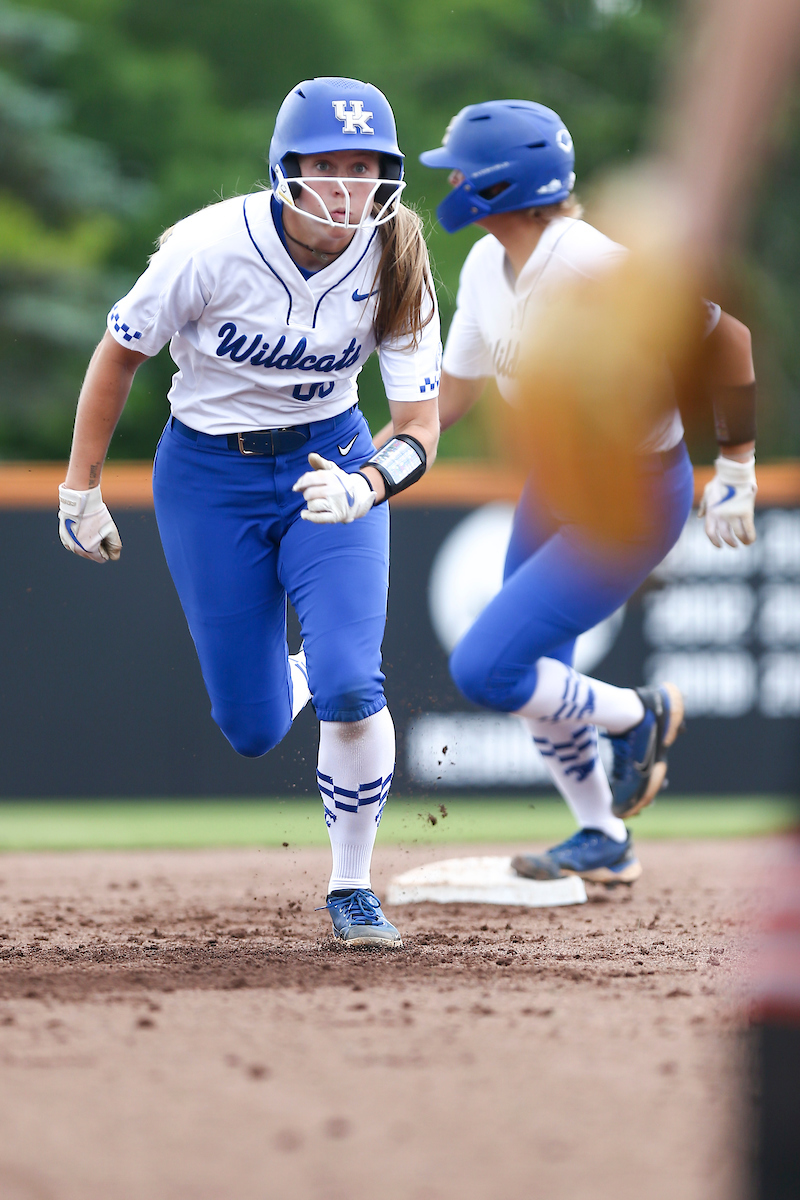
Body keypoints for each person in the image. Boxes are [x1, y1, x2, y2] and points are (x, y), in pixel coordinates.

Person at [56, 77, 441, 948]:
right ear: (286, 168)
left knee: (353, 682)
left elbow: (419, 426)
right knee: (254, 728)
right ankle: (289, 676)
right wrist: (81, 484)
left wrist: (366, 483)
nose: (349, 185)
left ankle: (352, 887)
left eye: (367, 166)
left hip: (331, 461)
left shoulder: (395, 256)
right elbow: (120, 354)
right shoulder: (208, 246)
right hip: (207, 474)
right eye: (329, 165)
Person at [411, 99, 757, 885]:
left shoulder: (592, 265)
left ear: (498, 187)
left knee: (487, 669)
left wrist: (735, 468)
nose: (453, 181)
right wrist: (368, 457)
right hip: (559, 483)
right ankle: (604, 836)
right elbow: (451, 395)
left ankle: (643, 714)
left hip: (631, 497)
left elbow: (727, 337)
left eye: (463, 169)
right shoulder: (482, 266)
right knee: (540, 682)